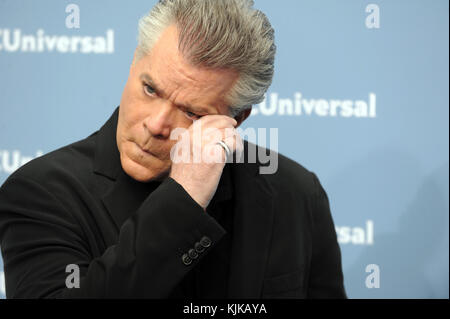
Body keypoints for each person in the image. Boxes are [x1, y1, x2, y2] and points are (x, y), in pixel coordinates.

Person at [0, 0, 346, 298]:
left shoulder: (295, 193)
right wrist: (184, 198)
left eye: (192, 113)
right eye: (150, 89)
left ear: (236, 119)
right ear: (135, 61)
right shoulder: (41, 193)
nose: (156, 125)